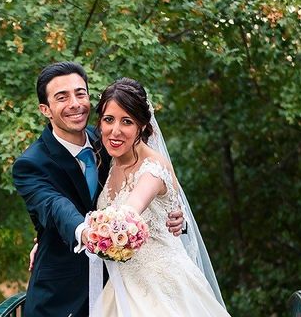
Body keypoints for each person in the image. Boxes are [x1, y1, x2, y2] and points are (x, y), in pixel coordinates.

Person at [12, 62, 185, 317]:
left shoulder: (109, 139)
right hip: (63, 295)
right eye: (62, 97)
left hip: (125, 287)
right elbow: (53, 206)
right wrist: (84, 233)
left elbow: (156, 183)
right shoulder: (31, 163)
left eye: (80, 93)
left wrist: (175, 216)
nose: (75, 103)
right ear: (45, 109)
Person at [95, 77, 230, 316]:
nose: (115, 130)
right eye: (108, 120)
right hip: (122, 286)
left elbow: (131, 209)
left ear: (143, 126)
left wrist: (92, 232)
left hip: (162, 287)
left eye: (126, 121)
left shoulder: (153, 169)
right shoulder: (111, 160)